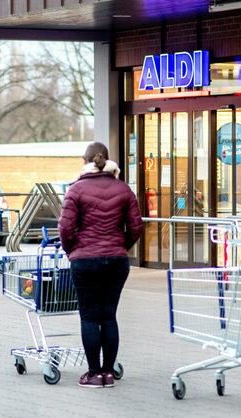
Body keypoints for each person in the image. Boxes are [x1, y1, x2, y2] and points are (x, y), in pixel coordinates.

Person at [58, 142, 143, 388]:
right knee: (109, 316)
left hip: (84, 261)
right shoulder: (124, 189)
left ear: (83, 162)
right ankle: (109, 372)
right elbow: (136, 227)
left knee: (89, 317)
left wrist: (72, 249)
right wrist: (120, 247)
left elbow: (65, 227)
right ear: (107, 161)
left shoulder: (76, 190)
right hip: (116, 261)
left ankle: (94, 373)